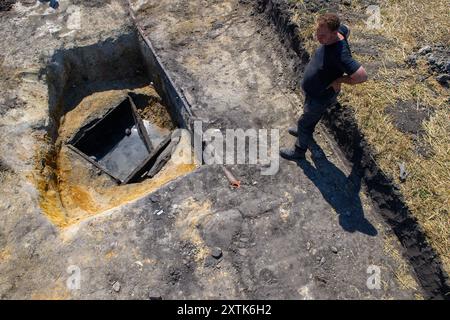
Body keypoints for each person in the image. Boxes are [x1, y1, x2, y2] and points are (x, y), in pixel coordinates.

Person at [280, 13, 368, 161]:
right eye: (317, 33)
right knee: (309, 116)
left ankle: (299, 151)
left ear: (334, 33)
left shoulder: (341, 55)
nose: (318, 38)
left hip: (321, 96)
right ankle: (306, 130)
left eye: (322, 35)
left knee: (304, 122)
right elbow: (347, 28)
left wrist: (340, 79)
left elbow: (362, 76)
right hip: (315, 92)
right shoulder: (340, 32)